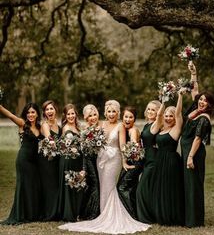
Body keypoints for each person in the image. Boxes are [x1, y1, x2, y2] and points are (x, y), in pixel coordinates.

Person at [58, 100, 151, 234]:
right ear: (105, 113)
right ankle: (103, 214)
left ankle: (111, 216)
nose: (111, 114)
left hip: (114, 159)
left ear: (118, 113)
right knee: (102, 187)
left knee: (110, 185)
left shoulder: (120, 126)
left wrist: (124, 162)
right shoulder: (101, 124)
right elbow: (90, 138)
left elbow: (123, 146)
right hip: (101, 159)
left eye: (114, 111)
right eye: (109, 111)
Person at [181, 61, 214, 227]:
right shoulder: (196, 109)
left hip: (193, 153)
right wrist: (193, 73)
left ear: (210, 105)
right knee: (188, 184)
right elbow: (194, 89)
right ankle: (188, 217)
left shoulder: (204, 118)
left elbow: (198, 139)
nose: (201, 102)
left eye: (205, 101)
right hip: (187, 150)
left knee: (193, 185)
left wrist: (190, 157)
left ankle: (194, 221)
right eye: (201, 99)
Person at [0, 102, 41, 225]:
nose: (30, 114)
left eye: (33, 112)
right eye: (28, 112)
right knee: (23, 186)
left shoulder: (40, 127)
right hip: (23, 160)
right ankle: (20, 215)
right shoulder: (23, 124)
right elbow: (11, 116)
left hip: (35, 161)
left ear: (37, 113)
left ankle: (32, 214)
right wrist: (0, 107)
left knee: (33, 186)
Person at [150, 91, 185, 226]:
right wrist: (164, 99)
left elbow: (179, 113)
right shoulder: (162, 128)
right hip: (159, 160)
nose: (169, 117)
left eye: (171, 116)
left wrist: (180, 96)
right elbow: (159, 114)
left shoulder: (176, 128)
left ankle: (171, 216)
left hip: (171, 161)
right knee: (160, 187)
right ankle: (161, 214)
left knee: (170, 188)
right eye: (167, 115)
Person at [57, 104, 85, 221]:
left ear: (76, 114)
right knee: (69, 185)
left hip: (78, 160)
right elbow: (63, 147)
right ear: (65, 115)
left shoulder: (79, 128)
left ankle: (76, 212)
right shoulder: (65, 128)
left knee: (78, 185)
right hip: (68, 160)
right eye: (68, 114)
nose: (70, 116)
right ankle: (68, 213)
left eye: (72, 113)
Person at [136, 100, 162, 223]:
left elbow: (161, 115)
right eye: (149, 109)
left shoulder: (156, 124)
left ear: (158, 112)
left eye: (154, 110)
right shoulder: (147, 124)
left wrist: (165, 98)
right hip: (146, 159)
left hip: (153, 160)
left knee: (142, 189)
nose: (150, 111)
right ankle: (150, 215)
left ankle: (145, 217)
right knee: (148, 188)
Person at [117, 106, 144, 219]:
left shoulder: (133, 130)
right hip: (132, 161)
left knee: (121, 187)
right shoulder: (127, 129)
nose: (128, 119)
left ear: (134, 119)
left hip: (135, 163)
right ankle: (136, 214)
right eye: (126, 117)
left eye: (130, 117)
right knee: (132, 188)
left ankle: (131, 216)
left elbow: (133, 144)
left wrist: (133, 147)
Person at [38, 100, 61, 221]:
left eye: (51, 108)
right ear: (44, 113)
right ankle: (49, 213)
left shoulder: (59, 124)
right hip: (47, 160)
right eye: (47, 109)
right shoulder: (45, 125)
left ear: (55, 110)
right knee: (49, 186)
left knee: (56, 184)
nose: (49, 111)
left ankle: (57, 211)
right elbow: (49, 138)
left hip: (57, 159)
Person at [81, 104, 100, 219]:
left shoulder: (99, 128)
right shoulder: (84, 131)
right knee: (94, 185)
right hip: (88, 161)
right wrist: (84, 168)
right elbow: (84, 151)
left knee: (93, 186)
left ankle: (87, 211)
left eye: (94, 115)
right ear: (86, 118)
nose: (93, 118)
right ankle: (91, 214)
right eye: (90, 116)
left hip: (99, 161)